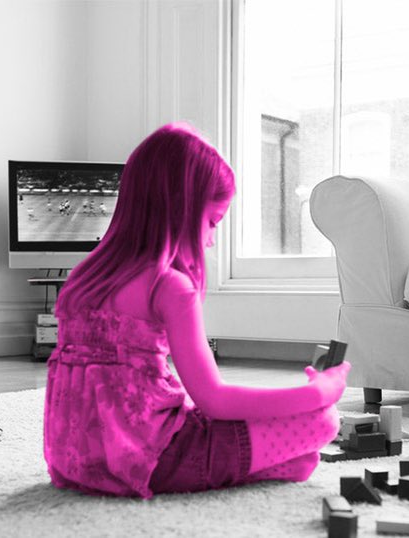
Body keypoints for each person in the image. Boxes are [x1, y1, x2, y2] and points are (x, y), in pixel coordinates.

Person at [43, 122, 350, 498]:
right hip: (153, 462)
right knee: (323, 423)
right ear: (180, 211)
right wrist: (317, 393)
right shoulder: (168, 286)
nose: (210, 240)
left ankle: (268, 465)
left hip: (77, 462)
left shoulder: (81, 279)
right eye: (211, 222)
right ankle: (258, 465)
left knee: (291, 452)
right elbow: (216, 400)